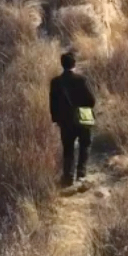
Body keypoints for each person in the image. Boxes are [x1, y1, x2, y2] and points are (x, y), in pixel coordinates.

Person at [49, 52, 96, 185]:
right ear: (74, 64)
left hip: (65, 121)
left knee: (68, 148)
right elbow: (91, 101)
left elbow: (53, 103)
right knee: (84, 144)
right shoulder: (81, 80)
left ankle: (67, 177)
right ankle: (81, 173)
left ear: (62, 64)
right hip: (82, 119)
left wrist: (56, 119)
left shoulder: (55, 82)